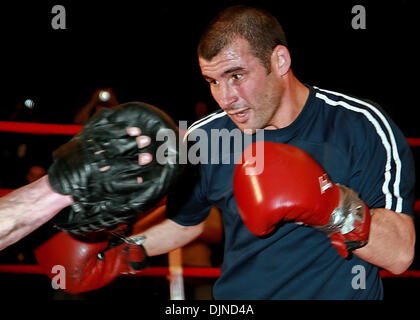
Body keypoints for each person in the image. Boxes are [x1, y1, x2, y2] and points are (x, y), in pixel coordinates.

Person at [23, 5, 418, 299]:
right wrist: (126, 252)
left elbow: (401, 254)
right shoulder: (208, 137)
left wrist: (331, 206)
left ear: (279, 60)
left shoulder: (361, 125)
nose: (226, 98)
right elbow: (187, 221)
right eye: (212, 81)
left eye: (236, 76)